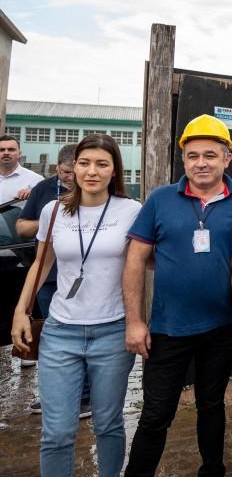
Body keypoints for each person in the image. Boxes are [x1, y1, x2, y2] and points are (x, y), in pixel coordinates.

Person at [124, 115, 232, 477]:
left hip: (222, 328)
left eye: (210, 155)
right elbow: (135, 261)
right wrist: (134, 322)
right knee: (155, 414)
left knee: (212, 405)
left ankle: (212, 470)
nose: (201, 163)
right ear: (183, 160)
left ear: (227, 158)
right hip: (169, 329)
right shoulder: (160, 199)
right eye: (193, 155)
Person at [10, 133, 141, 477]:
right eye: (84, 163)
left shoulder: (131, 211)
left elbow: (144, 264)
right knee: (57, 432)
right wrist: (20, 312)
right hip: (60, 333)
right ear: (73, 168)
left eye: (101, 164)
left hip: (112, 332)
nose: (91, 171)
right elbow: (40, 265)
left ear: (115, 170)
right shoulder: (54, 210)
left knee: (109, 424)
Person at [14, 144, 91, 413]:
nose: (73, 177)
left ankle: (84, 396)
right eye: (68, 171)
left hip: (82, 280)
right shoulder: (44, 192)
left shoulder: (96, 194)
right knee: (53, 340)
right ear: (58, 168)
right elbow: (22, 227)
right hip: (50, 281)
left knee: (82, 339)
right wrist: (53, 221)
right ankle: (55, 395)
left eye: (77, 170)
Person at [0, 134, 43, 203]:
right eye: (2, 150)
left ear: (19, 154)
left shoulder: (36, 180)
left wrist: (34, 195)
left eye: (11, 149)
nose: (6, 153)